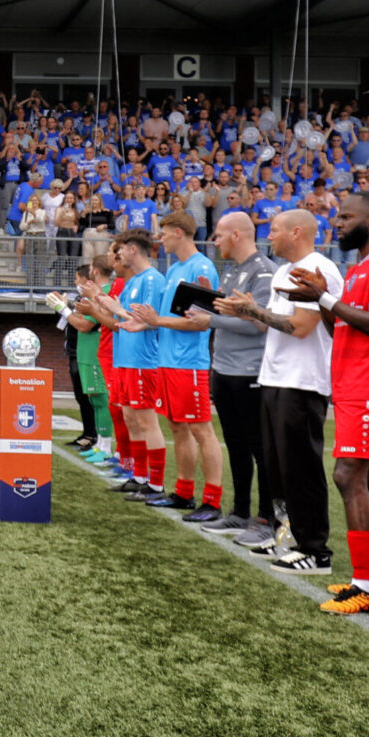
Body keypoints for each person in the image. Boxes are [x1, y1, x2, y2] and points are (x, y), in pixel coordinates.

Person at [283, 192, 369, 613]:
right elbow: (343, 329)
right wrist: (320, 298)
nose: (337, 223)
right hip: (356, 383)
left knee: (348, 476)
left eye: (345, 217)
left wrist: (323, 298)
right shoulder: (360, 268)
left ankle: (365, 587)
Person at [214, 209, 341, 575]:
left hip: (302, 381)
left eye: (274, 230)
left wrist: (254, 311)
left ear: (296, 232)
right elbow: (270, 323)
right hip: (274, 377)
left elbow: (301, 327)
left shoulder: (319, 270)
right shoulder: (284, 271)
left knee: (301, 466)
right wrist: (244, 311)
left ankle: (315, 550)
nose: (269, 236)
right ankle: (286, 536)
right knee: (278, 466)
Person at [129, 211, 221, 521]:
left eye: (165, 233)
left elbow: (200, 323)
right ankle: (183, 492)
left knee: (201, 429)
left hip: (189, 363)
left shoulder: (201, 268)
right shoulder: (176, 269)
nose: (161, 239)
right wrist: (144, 324)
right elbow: (170, 317)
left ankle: (212, 500)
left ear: (179, 232)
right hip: (169, 360)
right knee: (178, 427)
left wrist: (155, 321)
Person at [204, 213, 276, 540]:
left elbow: (257, 324)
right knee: (235, 445)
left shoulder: (263, 272)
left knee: (260, 448)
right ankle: (240, 512)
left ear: (236, 234)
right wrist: (208, 306)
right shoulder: (233, 270)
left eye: (218, 235)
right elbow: (223, 314)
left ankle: (266, 519)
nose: (214, 242)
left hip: (250, 371)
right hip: (224, 369)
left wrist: (208, 319)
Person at [85, 231, 168, 502]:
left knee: (146, 420)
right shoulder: (134, 281)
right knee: (131, 418)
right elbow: (124, 316)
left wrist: (114, 309)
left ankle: (155, 483)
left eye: (119, 250)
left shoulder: (153, 279)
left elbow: (146, 318)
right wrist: (100, 298)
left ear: (133, 249)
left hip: (142, 360)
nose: (116, 256)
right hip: (125, 359)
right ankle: (139, 476)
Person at [49, 259, 112, 459]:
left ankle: (104, 447)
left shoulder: (104, 292)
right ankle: (99, 445)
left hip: (94, 353)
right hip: (85, 352)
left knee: (101, 401)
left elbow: (85, 325)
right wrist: (65, 308)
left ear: (93, 271)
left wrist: (64, 308)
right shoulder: (93, 294)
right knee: (94, 400)